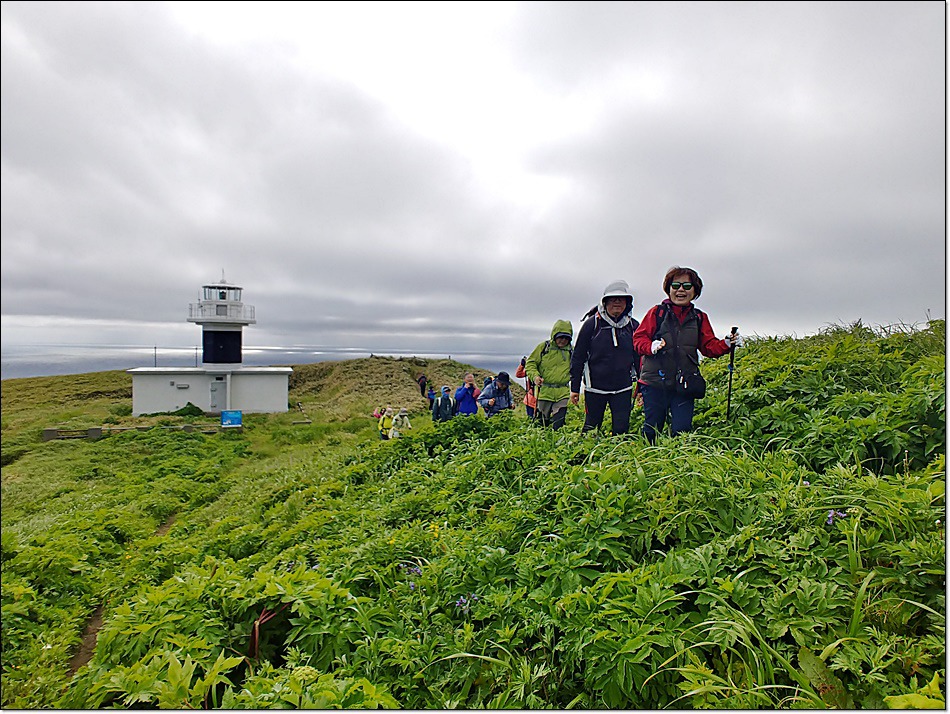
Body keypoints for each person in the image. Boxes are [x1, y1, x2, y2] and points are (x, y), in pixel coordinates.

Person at [633, 265, 741, 444]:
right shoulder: (656, 313)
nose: (680, 290)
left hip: (685, 382)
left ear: (695, 291)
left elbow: (708, 347)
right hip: (654, 382)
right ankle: (647, 462)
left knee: (682, 430)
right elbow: (638, 340)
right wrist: (650, 346)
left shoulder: (699, 317)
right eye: (675, 286)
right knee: (652, 428)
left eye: (686, 286)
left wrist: (727, 344)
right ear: (668, 289)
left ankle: (677, 465)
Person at [570, 280, 640, 435]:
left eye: (621, 299)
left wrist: (641, 386)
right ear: (605, 302)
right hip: (595, 388)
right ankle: (584, 457)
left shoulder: (633, 327)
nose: (616, 302)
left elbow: (639, 358)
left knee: (621, 429)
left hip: (623, 388)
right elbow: (578, 357)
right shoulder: (592, 325)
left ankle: (619, 457)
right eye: (612, 299)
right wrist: (574, 388)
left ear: (627, 303)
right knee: (591, 428)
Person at [525, 320, 574, 429]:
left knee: (559, 424)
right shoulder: (544, 347)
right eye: (560, 337)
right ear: (554, 335)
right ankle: (541, 444)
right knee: (541, 424)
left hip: (562, 393)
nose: (563, 340)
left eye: (566, 338)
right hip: (544, 392)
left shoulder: (571, 351)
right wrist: (535, 376)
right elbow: (531, 363)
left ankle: (557, 444)